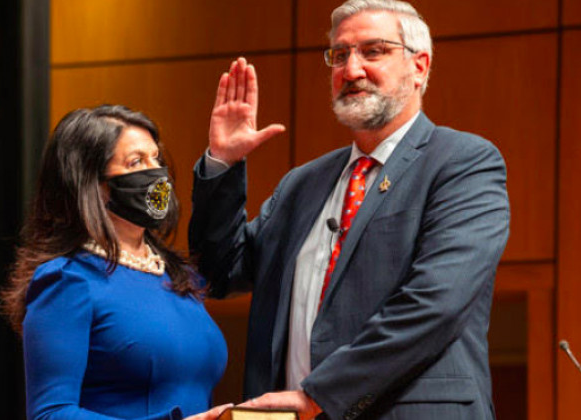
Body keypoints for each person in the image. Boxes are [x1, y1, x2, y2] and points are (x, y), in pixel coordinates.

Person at [188, 0, 510, 419]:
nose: (351, 70)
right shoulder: (302, 184)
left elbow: (436, 302)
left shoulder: (463, 162)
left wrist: (320, 394)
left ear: (420, 66)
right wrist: (223, 162)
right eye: (340, 55)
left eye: (373, 51)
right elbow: (218, 272)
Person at [0, 105, 231, 420]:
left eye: (157, 159)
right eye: (137, 161)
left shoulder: (181, 275)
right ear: (90, 181)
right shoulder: (66, 280)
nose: (157, 174)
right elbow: (50, 414)